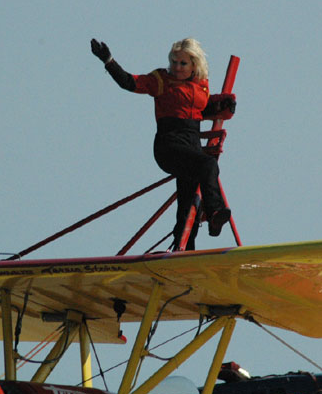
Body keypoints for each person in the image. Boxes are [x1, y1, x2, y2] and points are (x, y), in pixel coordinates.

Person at [90, 37, 235, 250]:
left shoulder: (201, 85)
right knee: (208, 165)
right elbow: (130, 82)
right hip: (170, 145)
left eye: (183, 63)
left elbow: (198, 111)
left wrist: (222, 105)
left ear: (194, 65)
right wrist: (109, 60)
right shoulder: (162, 80)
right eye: (174, 62)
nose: (177, 67)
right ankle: (214, 212)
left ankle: (185, 252)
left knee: (188, 206)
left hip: (192, 146)